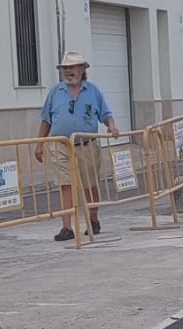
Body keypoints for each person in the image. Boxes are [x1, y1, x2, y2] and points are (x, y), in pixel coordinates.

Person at [35, 51, 121, 241]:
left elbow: (106, 114)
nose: (69, 71)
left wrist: (112, 126)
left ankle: (93, 220)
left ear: (82, 69)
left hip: (86, 144)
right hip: (61, 144)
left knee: (90, 185)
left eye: (72, 67)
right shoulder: (56, 92)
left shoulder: (93, 91)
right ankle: (67, 227)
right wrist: (39, 144)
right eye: (66, 68)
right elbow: (45, 119)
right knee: (65, 185)